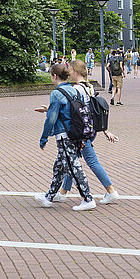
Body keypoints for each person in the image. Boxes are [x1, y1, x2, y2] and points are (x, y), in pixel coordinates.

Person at [32, 63, 95, 211]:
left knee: (73, 167)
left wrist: (44, 138)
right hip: (75, 132)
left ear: (54, 76)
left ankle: (88, 198)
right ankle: (49, 197)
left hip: (63, 135)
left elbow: (51, 118)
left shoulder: (56, 93)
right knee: (59, 167)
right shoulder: (75, 90)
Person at [56, 59, 120, 205]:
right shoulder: (89, 87)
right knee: (73, 161)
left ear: (75, 71)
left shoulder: (77, 89)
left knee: (90, 161)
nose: (69, 73)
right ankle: (63, 192)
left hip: (81, 131)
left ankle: (111, 191)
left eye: (70, 70)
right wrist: (105, 130)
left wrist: (51, 109)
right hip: (89, 129)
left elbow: (71, 109)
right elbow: (93, 111)